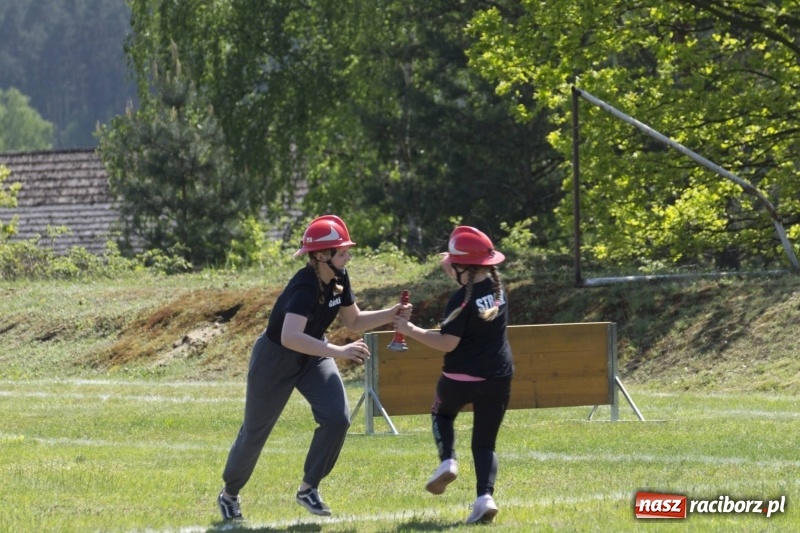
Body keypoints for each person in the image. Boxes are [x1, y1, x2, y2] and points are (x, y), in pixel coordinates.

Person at [217, 214, 411, 521]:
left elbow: (354, 320)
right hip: (276, 357)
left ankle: (309, 488)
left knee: (337, 418)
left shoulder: (339, 277)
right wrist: (339, 350)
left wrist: (392, 313)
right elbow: (290, 336)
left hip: (313, 353)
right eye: (342, 251)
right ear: (322, 255)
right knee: (256, 432)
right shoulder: (304, 286)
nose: (348, 255)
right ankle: (229, 494)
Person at [393, 226, 513, 525]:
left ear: (464, 269)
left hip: (459, 380)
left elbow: (447, 343)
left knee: (441, 414)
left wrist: (410, 330)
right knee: (484, 444)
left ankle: (448, 461)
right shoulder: (498, 291)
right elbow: (472, 275)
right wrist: (454, 263)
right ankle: (485, 498)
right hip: (498, 379)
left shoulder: (460, 300)